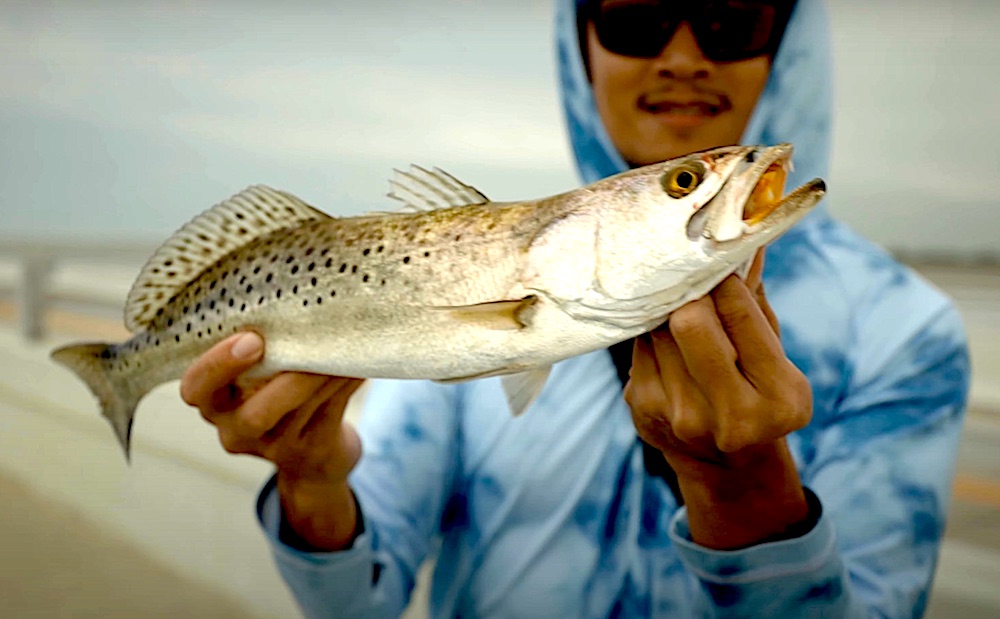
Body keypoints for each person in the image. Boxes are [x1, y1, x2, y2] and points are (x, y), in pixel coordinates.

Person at [179, 0, 971, 617]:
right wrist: (313, 480)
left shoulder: (906, 334)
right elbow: (361, 599)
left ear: (789, 46)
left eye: (735, 21)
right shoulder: (465, 281)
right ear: (581, 43)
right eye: (636, 19)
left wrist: (748, 497)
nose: (684, 56)